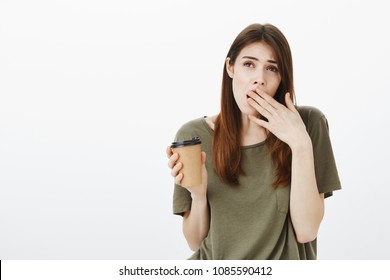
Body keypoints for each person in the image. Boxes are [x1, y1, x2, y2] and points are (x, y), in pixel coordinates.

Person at [166, 23, 341, 260]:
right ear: (230, 68)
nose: (259, 79)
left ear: (282, 78)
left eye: (272, 68)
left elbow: (306, 230)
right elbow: (194, 241)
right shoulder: (193, 135)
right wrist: (197, 195)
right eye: (249, 64)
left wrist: (299, 144)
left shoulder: (310, 124)